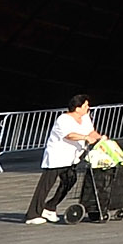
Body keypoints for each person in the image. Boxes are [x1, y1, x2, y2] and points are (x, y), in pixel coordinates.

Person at [24, 93, 103, 224]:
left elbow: (91, 131)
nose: (88, 108)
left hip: (72, 157)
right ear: (78, 108)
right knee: (45, 185)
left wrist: (100, 138)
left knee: (70, 180)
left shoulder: (85, 118)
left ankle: (50, 206)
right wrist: (85, 138)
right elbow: (69, 135)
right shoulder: (63, 119)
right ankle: (32, 214)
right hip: (57, 156)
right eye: (86, 106)